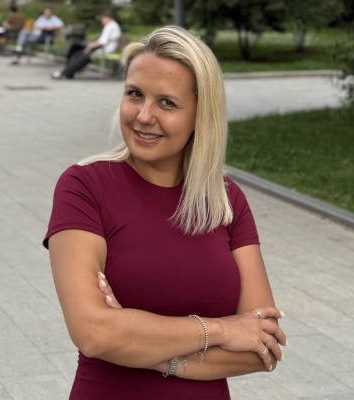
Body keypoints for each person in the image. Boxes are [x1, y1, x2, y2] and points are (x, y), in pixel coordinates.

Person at [43, 26, 287, 399]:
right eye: (134, 94)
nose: (144, 115)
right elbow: (94, 333)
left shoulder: (225, 201)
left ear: (201, 116)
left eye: (167, 103)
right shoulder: (84, 187)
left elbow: (262, 348)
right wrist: (222, 330)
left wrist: (149, 352)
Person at [50, 10, 121, 79]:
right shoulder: (112, 26)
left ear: (106, 18)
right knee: (74, 48)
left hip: (102, 50)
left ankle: (66, 73)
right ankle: (67, 70)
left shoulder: (110, 26)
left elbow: (102, 42)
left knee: (81, 55)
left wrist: (90, 46)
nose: (101, 21)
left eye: (102, 19)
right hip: (100, 48)